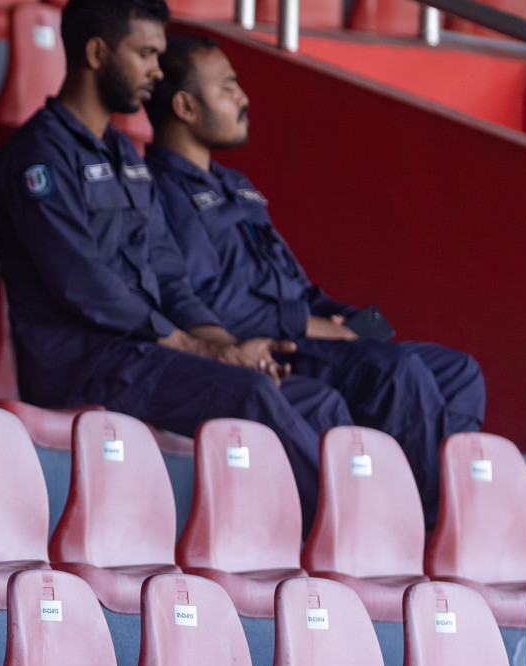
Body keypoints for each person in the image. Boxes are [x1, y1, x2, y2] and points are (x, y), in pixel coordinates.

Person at [0, 0, 350, 526]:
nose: (156, 71)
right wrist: (191, 345)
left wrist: (221, 344)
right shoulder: (38, 155)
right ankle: (342, 536)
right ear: (97, 54)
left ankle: (295, 546)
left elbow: (168, 272)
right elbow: (81, 280)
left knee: (316, 400)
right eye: (145, 54)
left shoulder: (127, 153)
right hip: (83, 361)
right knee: (250, 397)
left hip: (146, 354)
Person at [143, 34, 485, 520]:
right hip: (270, 349)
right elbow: (206, 304)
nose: (243, 99)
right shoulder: (163, 193)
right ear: (184, 105)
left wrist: (344, 318)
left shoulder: (236, 185)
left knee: (458, 370)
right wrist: (309, 325)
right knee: (395, 372)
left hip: (311, 332)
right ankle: (425, 531)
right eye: (227, 88)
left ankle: (424, 504)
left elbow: (300, 287)